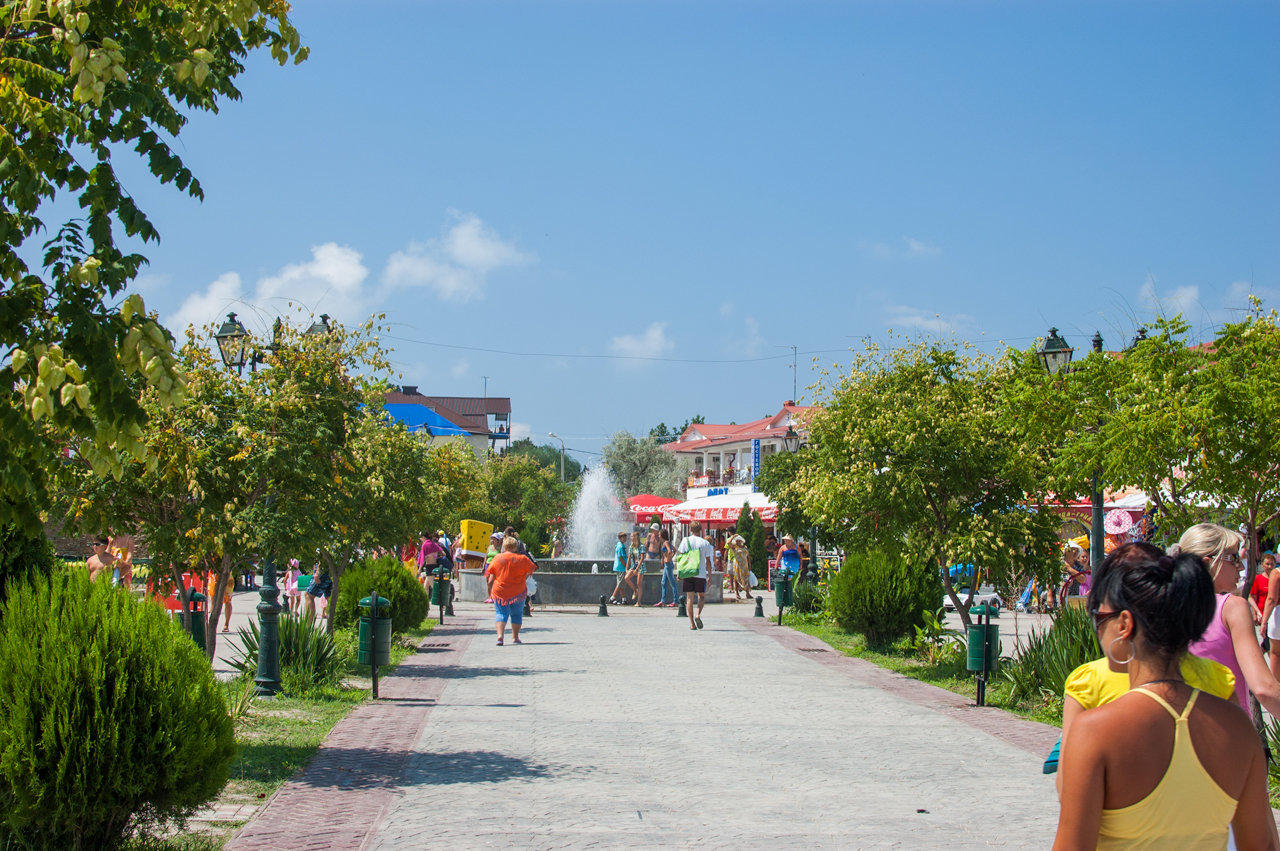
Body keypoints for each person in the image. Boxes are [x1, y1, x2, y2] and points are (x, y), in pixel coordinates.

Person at [1053, 546, 1279, 850]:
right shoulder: (1237, 727)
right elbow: (1262, 844)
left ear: (1124, 625)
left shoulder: (1095, 731)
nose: (1096, 627)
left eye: (1099, 616)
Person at [1054, 543, 1237, 795]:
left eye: (1099, 614)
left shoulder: (1088, 683)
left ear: (1123, 623)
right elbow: (1257, 823)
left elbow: (1068, 789)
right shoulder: (1221, 683)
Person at [1179, 523, 1280, 718]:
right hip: (1226, 735)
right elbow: (1263, 688)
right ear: (1208, 562)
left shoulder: (1162, 606)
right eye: (1233, 558)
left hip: (1176, 738)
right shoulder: (1232, 607)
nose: (1241, 566)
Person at [488, 536, 537, 645]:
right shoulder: (522, 559)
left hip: (500, 591)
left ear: (504, 546)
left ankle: (500, 637)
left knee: (501, 613)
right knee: (516, 614)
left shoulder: (497, 558)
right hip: (518, 591)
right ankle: (515, 637)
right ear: (516, 547)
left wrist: (490, 591)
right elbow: (531, 570)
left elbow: (490, 578)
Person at [676, 521, 715, 630]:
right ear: (701, 530)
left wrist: (680, 573)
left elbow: (681, 558)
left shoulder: (685, 541)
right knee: (701, 596)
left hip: (688, 572)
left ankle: (692, 623)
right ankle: (698, 614)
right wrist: (710, 576)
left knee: (689, 598)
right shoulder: (705, 543)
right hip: (701, 574)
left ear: (690, 530)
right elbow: (708, 562)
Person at [1256, 553, 1280, 679]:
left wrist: (1264, 621)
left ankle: (1278, 686)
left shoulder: (1276, 573)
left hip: (1278, 614)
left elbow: (1271, 599)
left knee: (1275, 652)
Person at [727, 529, 751, 600]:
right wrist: (733, 536)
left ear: (741, 541)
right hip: (737, 564)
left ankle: (747, 593)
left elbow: (748, 557)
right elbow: (728, 543)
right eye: (736, 541)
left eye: (739, 541)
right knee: (737, 578)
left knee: (746, 578)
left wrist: (749, 565)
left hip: (744, 564)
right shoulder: (735, 548)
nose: (738, 542)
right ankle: (737, 593)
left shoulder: (745, 548)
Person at [609, 532, 632, 605]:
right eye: (623, 537)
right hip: (621, 567)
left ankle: (623, 599)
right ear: (620, 538)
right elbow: (620, 558)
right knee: (620, 584)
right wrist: (626, 566)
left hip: (620, 567)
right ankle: (612, 598)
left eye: (625, 537)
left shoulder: (620, 545)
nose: (625, 538)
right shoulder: (620, 547)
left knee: (621, 583)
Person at [657, 529, 677, 607]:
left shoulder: (665, 543)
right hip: (667, 564)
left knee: (672, 582)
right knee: (663, 582)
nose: (658, 536)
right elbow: (674, 550)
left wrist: (668, 558)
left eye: (659, 535)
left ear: (662, 535)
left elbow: (670, 551)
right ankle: (663, 600)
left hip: (668, 564)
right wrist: (670, 557)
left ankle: (675, 601)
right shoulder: (667, 542)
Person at [626, 530, 646, 606]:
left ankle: (639, 602)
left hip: (640, 566)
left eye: (631, 536)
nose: (630, 537)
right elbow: (629, 557)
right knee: (626, 578)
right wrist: (627, 568)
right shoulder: (631, 546)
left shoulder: (641, 546)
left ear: (635, 537)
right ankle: (635, 590)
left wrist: (637, 569)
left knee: (639, 583)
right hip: (633, 565)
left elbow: (642, 558)